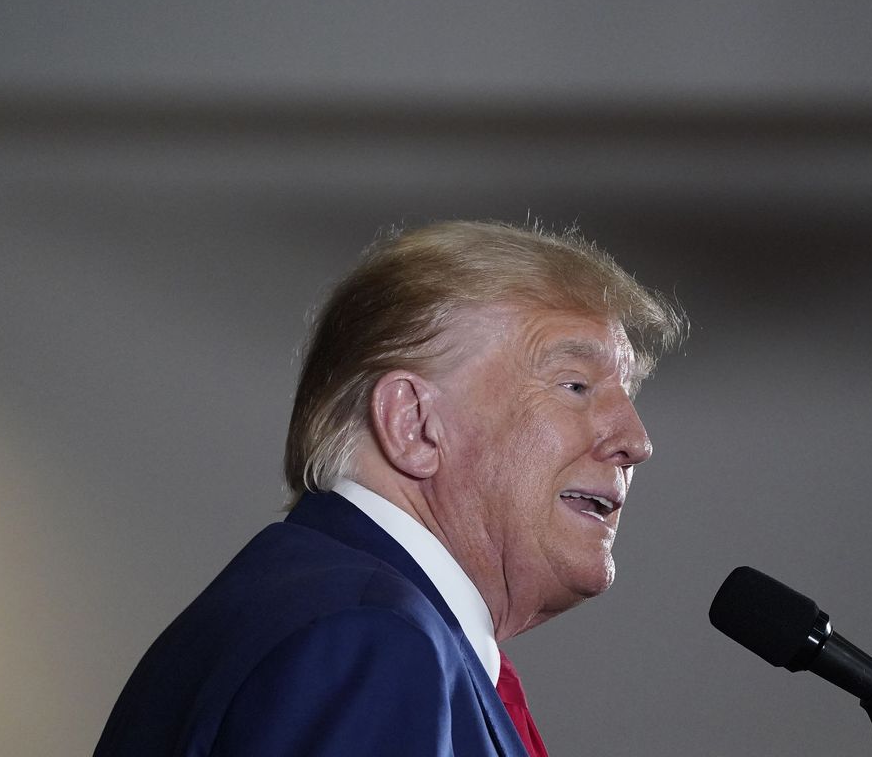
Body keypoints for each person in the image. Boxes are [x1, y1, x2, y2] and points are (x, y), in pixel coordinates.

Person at [93, 220, 684, 756]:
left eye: (626, 395)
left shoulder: (319, 610)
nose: (635, 439)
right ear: (413, 424)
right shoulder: (367, 641)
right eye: (575, 385)